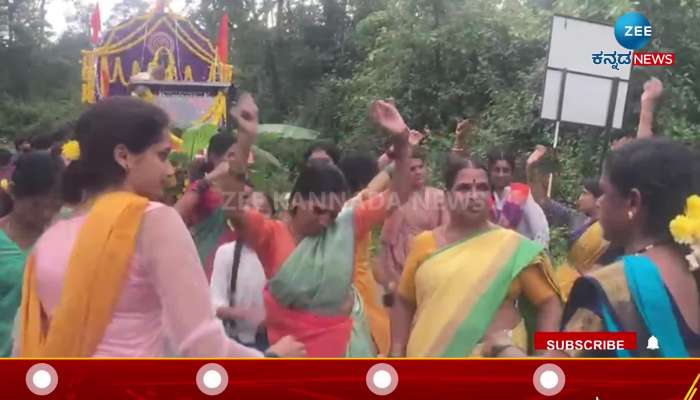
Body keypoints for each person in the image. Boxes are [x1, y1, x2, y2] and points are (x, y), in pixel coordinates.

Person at [17, 96, 304, 358]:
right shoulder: (150, 221)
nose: (169, 171)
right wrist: (271, 360)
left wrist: (244, 144)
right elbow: (200, 346)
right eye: (162, 156)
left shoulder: (50, 239)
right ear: (124, 156)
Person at [220, 95, 413, 357]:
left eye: (332, 214)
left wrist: (402, 141)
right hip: (292, 359)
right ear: (297, 199)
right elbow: (232, 206)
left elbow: (397, 194)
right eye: (319, 210)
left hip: (346, 352)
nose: (325, 221)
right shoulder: (271, 235)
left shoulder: (346, 224)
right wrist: (245, 141)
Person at [486, 138, 700, 357]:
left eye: (605, 193)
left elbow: (549, 378)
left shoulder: (614, 288)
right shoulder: (692, 269)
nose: (599, 202)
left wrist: (502, 345)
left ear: (633, 202)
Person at [389, 157, 563, 357]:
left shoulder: (512, 247)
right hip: (428, 358)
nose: (474, 196)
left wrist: (545, 354)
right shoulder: (424, 243)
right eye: (463, 188)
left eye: (482, 188)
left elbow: (549, 302)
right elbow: (404, 301)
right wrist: (396, 351)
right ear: (447, 196)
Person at [0, 152, 64, 357]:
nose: (46, 213)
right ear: (13, 193)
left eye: (53, 204)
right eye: (36, 204)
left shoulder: (65, 243)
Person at [338, 153, 391, 355]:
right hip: (359, 286)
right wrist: (406, 150)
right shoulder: (354, 209)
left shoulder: (330, 210)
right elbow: (381, 186)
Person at [174, 133, 246, 279]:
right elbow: (175, 215)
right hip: (208, 263)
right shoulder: (202, 187)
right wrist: (211, 177)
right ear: (214, 157)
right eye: (231, 155)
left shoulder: (242, 190)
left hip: (237, 264)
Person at [210, 190, 275, 351]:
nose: (257, 215)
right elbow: (215, 304)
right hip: (235, 340)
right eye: (251, 208)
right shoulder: (227, 253)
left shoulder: (280, 253)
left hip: (271, 341)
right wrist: (245, 314)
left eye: (264, 211)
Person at [378, 147, 447, 287]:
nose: (418, 172)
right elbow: (382, 166)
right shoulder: (398, 196)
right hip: (402, 260)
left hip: (434, 256)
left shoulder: (438, 195)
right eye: (412, 169)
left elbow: (446, 229)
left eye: (421, 167)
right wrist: (399, 147)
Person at [488, 148, 550, 246]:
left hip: (521, 256)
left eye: (505, 170)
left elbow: (539, 230)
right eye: (496, 170)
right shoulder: (483, 196)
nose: (501, 175)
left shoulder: (522, 195)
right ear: (490, 172)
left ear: (511, 173)